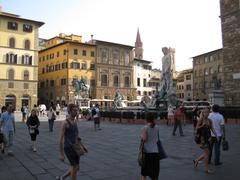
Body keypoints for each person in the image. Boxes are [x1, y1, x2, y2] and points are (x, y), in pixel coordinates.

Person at [57, 104, 81, 180]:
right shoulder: (65, 123)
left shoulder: (75, 121)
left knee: (76, 168)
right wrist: (61, 154)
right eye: (74, 110)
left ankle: (62, 177)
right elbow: (60, 139)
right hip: (69, 148)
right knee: (74, 167)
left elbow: (76, 136)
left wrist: (82, 145)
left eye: (77, 110)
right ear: (70, 111)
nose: (76, 112)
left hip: (76, 147)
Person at [193, 108, 218, 174]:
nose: (207, 113)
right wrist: (202, 125)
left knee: (207, 153)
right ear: (203, 113)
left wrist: (216, 135)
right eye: (205, 112)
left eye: (208, 112)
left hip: (208, 139)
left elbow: (212, 128)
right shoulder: (201, 120)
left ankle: (196, 160)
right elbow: (196, 128)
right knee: (207, 153)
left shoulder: (210, 120)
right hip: (202, 139)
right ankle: (207, 169)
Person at [140, 114, 160, 180]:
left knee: (144, 174)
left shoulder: (145, 128)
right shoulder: (157, 127)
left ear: (147, 120)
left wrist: (141, 136)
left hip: (147, 153)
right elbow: (157, 139)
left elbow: (144, 139)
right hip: (156, 153)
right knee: (155, 175)